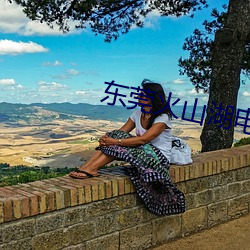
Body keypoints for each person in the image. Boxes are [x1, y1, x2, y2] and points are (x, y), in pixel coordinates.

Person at [69, 79, 185, 215]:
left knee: (117, 141)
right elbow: (122, 132)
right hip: (142, 151)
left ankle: (92, 168)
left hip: (158, 158)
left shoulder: (162, 117)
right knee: (115, 135)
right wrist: (107, 139)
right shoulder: (137, 114)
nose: (138, 97)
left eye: (142, 95)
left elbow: (144, 139)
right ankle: (87, 167)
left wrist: (115, 141)